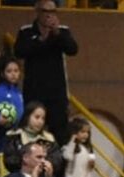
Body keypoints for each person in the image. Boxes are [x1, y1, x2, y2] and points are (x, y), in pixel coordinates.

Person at [13, 0, 78, 139]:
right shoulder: (26, 31)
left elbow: (73, 49)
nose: (49, 15)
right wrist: (41, 39)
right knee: (32, 132)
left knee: (60, 134)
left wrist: (57, 33)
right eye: (45, 11)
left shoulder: (63, 30)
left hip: (57, 94)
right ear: (37, 12)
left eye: (52, 12)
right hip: (34, 92)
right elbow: (19, 51)